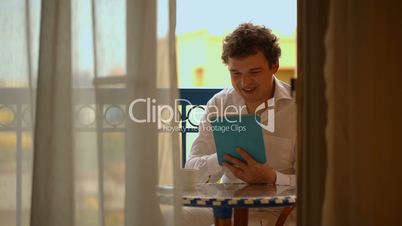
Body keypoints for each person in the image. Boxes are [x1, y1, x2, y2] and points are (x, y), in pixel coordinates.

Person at [184, 23, 297, 226]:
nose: (245, 83)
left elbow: (316, 183)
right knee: (170, 215)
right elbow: (192, 171)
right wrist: (221, 155)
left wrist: (272, 177)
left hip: (278, 211)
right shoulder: (219, 104)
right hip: (225, 207)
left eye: (254, 72)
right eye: (235, 73)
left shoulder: (299, 108)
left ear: (274, 66)